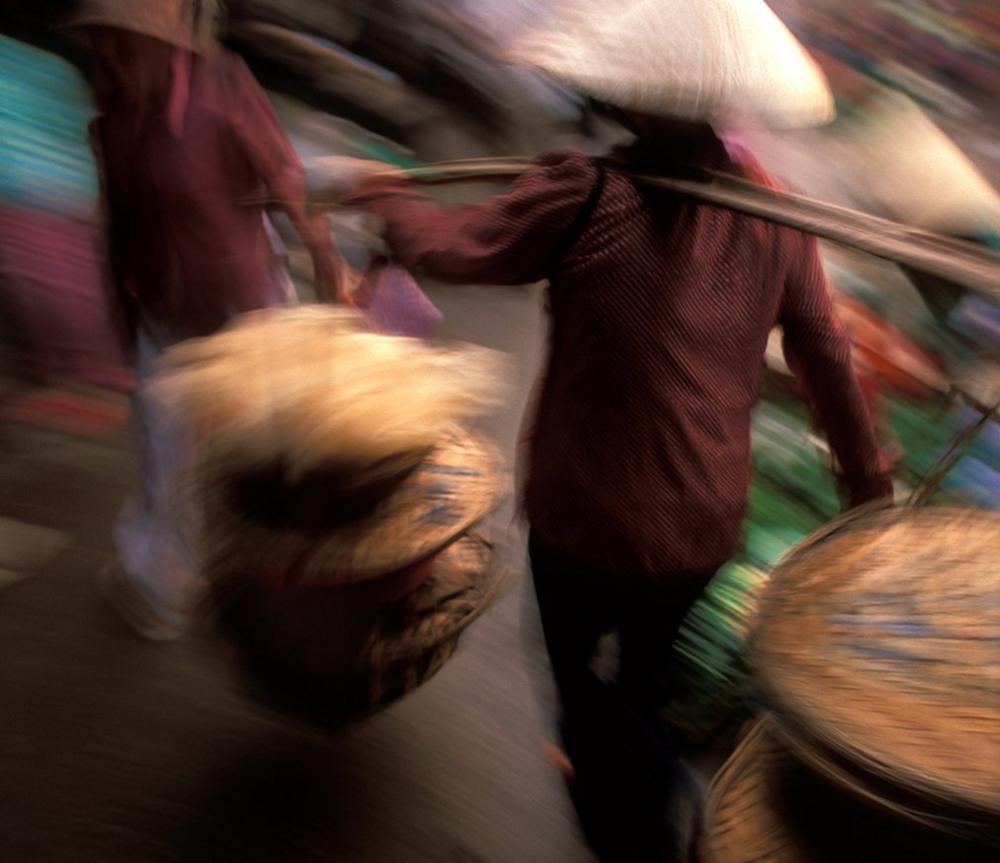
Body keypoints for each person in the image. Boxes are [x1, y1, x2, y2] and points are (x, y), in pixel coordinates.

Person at [340, 0, 892, 858]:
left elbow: (454, 249)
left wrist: (388, 197)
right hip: (703, 525)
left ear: (632, 99)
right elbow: (828, 356)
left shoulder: (586, 192)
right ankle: (641, 778)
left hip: (586, 517)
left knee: (580, 683)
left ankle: (640, 827)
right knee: (639, 680)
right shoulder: (780, 218)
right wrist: (868, 486)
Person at [67, 0, 346, 639]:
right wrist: (124, 319)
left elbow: (285, 180)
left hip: (245, 308)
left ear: (167, 44)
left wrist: (329, 265)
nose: (109, 58)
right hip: (165, 318)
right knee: (164, 459)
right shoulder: (112, 122)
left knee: (268, 448)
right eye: (102, 43)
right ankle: (162, 581)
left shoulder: (223, 84)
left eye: (123, 42)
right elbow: (120, 227)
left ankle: (299, 580)